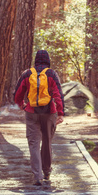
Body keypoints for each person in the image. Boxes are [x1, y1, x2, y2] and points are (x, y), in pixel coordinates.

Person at [14, 50, 64, 186]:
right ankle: (47, 171)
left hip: (31, 112)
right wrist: (60, 113)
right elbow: (58, 94)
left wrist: (21, 104)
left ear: (35, 60)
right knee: (47, 142)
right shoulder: (51, 74)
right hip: (49, 113)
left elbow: (17, 93)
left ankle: (37, 175)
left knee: (34, 143)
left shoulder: (27, 74)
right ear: (48, 60)